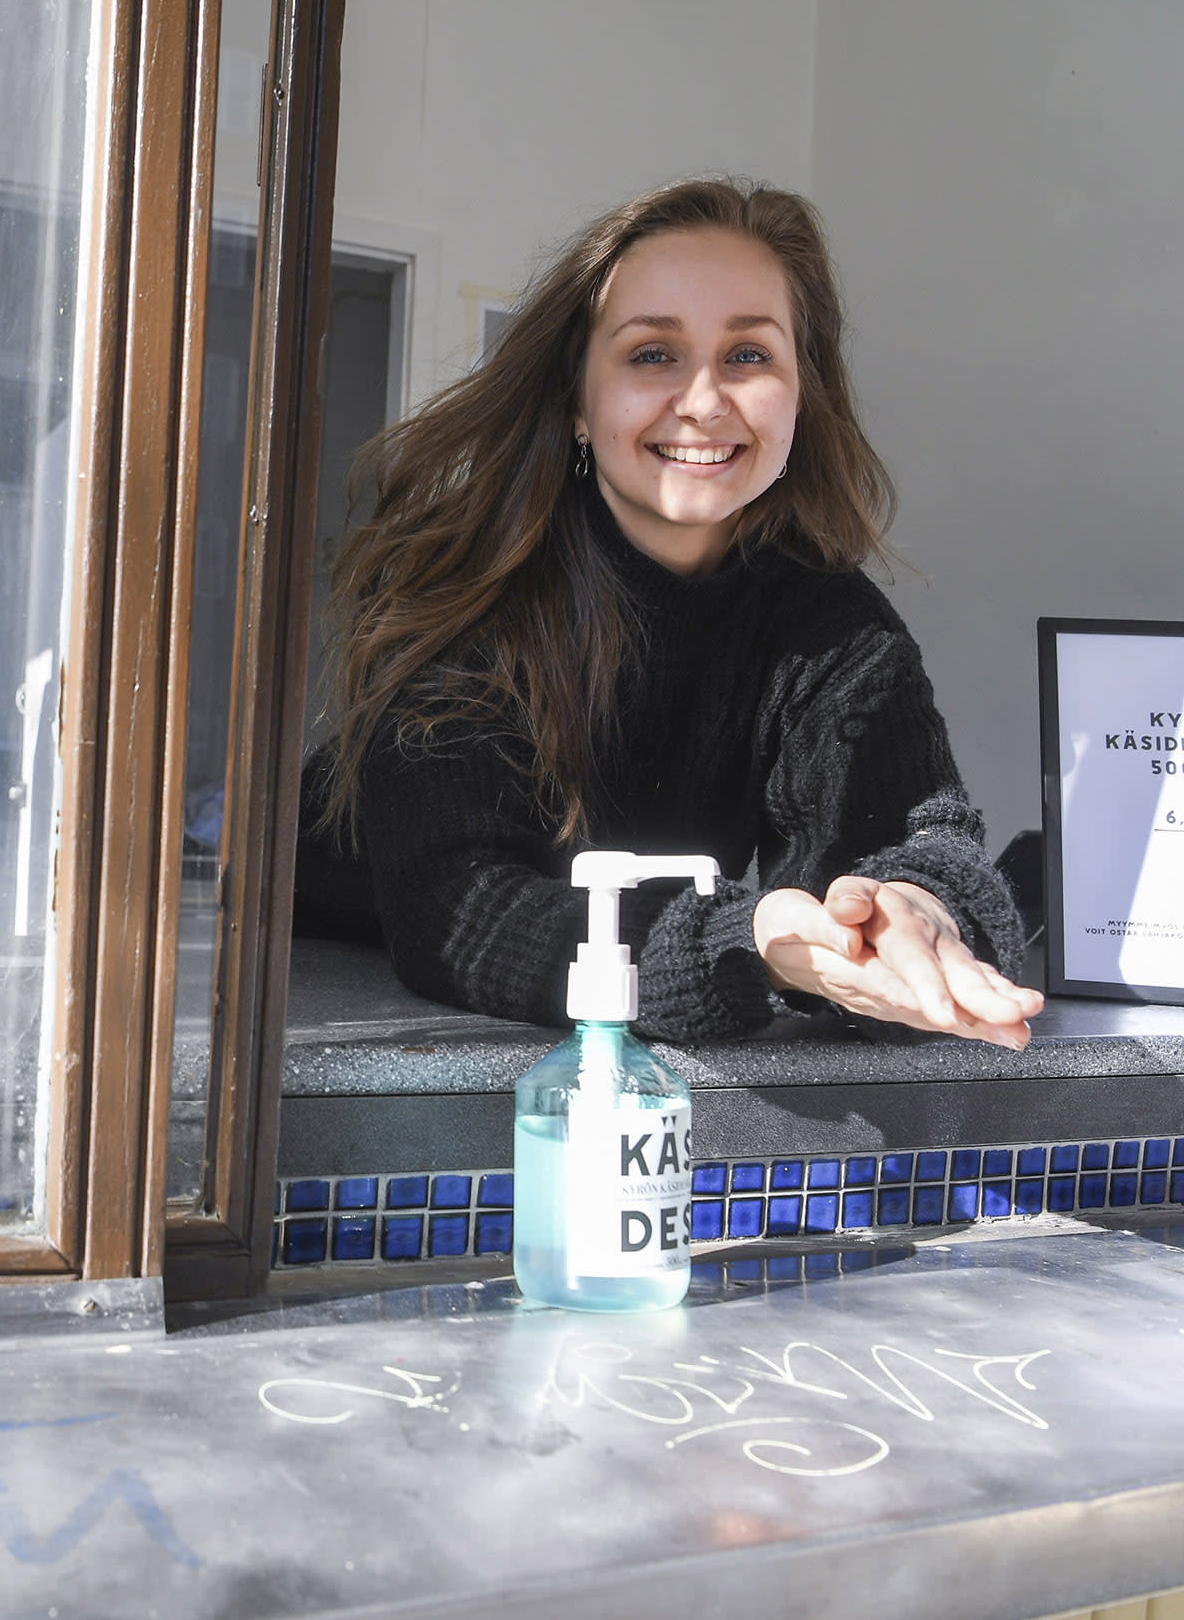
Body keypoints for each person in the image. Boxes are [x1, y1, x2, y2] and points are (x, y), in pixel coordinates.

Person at [296, 178, 1044, 1049]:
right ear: (577, 399)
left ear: (804, 394)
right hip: (321, 952)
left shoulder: (834, 631)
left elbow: (923, 839)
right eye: (653, 354)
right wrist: (747, 945)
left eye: (749, 356)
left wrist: (915, 908)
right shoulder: (472, 594)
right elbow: (462, 910)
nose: (702, 400)